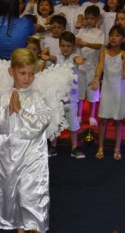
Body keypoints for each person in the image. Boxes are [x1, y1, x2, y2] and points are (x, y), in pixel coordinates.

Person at [0, 48, 51, 233]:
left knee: (31, 191)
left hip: (32, 153)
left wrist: (20, 112)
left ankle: (38, 227)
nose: (27, 78)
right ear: (11, 72)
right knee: (11, 191)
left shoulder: (37, 97)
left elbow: (42, 122)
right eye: (23, 73)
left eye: (31, 73)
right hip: (8, 153)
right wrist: (7, 111)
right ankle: (20, 230)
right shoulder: (4, 97)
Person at [0, 0, 35, 174]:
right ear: (17, 6)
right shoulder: (27, 23)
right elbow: (32, 31)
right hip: (17, 77)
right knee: (18, 122)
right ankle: (19, 168)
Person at [41, 31, 86, 159]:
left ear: (73, 47)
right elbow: (53, 58)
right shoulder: (57, 57)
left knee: (73, 124)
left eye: (69, 46)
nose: (66, 48)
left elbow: (76, 59)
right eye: (63, 45)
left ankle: (74, 147)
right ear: (60, 45)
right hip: (56, 98)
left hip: (71, 99)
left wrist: (79, 60)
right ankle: (53, 146)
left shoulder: (75, 57)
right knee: (55, 122)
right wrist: (47, 58)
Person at [92, 25, 125, 160]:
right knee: (103, 120)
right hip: (107, 90)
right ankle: (100, 147)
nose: (114, 38)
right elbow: (100, 66)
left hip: (118, 91)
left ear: (123, 39)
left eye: (117, 35)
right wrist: (96, 78)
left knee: (118, 121)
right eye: (111, 35)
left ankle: (117, 148)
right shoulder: (103, 52)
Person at [76, 5, 104, 126]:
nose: (89, 21)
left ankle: (92, 116)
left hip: (93, 67)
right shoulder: (80, 31)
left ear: (97, 19)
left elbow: (99, 46)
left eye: (92, 18)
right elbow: (76, 42)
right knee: (80, 94)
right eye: (86, 18)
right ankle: (78, 115)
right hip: (81, 67)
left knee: (93, 94)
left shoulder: (99, 32)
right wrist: (79, 43)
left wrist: (85, 43)